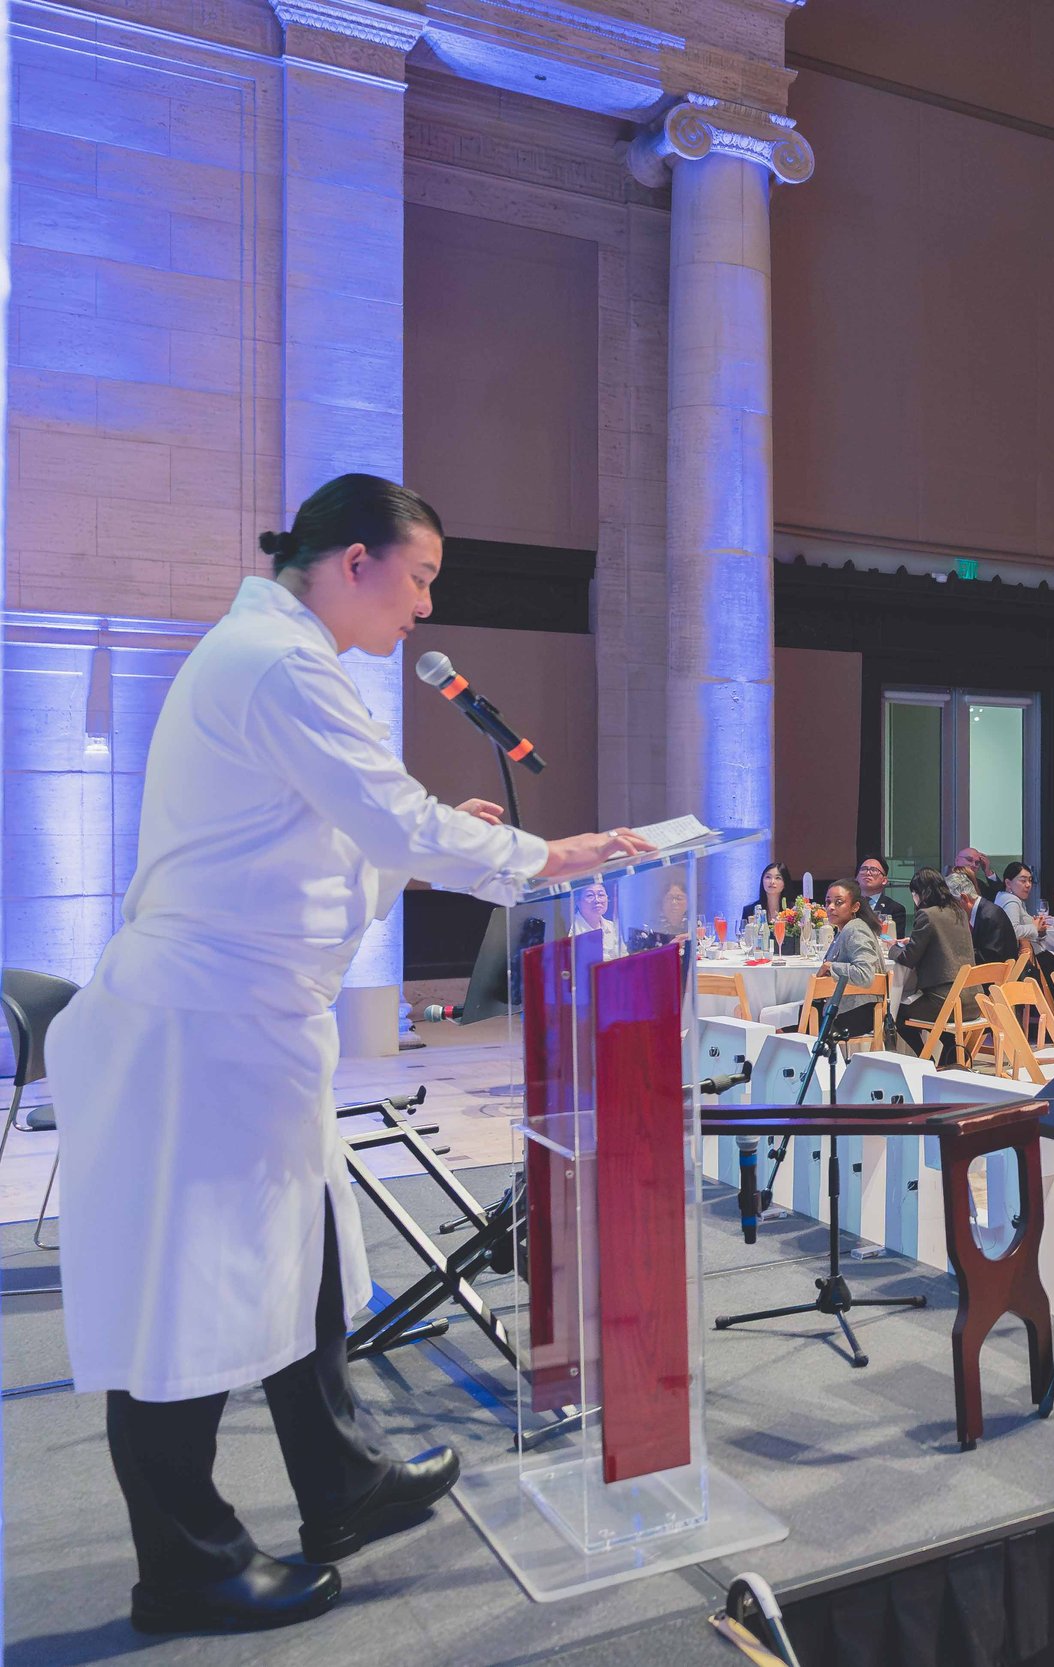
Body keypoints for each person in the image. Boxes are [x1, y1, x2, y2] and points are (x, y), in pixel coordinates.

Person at [43, 472, 652, 1634]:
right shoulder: (278, 664)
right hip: (204, 1026)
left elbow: (340, 841)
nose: (423, 609)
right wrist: (543, 852)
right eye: (419, 578)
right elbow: (384, 820)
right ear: (356, 563)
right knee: (186, 1292)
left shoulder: (280, 660)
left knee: (311, 1255)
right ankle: (186, 1561)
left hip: (255, 1021)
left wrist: (451, 840)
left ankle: (340, 1478)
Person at [895, 868, 974, 1061]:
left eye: (914, 893)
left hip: (945, 1001)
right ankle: (951, 1058)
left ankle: (926, 1059)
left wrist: (893, 950)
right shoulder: (959, 912)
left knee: (898, 1015)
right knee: (942, 1025)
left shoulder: (927, 915)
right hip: (972, 999)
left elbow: (909, 958)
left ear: (921, 893)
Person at [814, 878, 888, 1039]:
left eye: (838, 902)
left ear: (855, 907)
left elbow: (865, 974)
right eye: (828, 902)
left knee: (777, 1023)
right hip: (850, 1010)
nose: (831, 907)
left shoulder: (855, 929)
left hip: (856, 1014)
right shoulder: (845, 929)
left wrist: (831, 967)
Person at [958, 869, 1018, 963]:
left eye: (952, 903)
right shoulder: (981, 910)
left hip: (998, 974)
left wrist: (957, 952)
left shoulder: (990, 915)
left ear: (964, 898)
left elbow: (990, 957)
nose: (950, 909)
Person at [742, 860, 802, 953]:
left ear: (785, 883)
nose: (772, 882)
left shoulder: (794, 911)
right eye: (768, 877)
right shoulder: (750, 910)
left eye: (778, 878)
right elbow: (745, 941)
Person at [854, 853, 907, 939]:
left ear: (884, 880)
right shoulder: (848, 905)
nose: (868, 873)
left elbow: (896, 942)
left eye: (873, 870)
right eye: (864, 869)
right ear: (856, 878)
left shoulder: (895, 909)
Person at [576, 875, 624, 961]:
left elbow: (624, 956)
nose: (597, 900)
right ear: (578, 902)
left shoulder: (612, 926)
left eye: (601, 895)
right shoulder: (571, 930)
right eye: (590, 895)